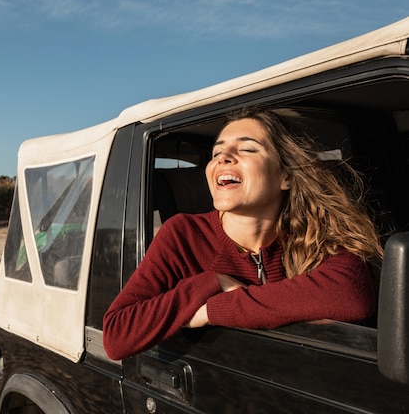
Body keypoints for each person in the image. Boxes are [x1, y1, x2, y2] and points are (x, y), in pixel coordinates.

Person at [102, 107, 383, 361]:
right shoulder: (183, 233)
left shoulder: (311, 234)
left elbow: (351, 295)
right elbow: (116, 335)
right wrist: (212, 283)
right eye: (216, 153)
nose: (223, 157)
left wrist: (211, 311)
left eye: (247, 149)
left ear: (285, 176)